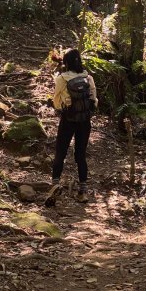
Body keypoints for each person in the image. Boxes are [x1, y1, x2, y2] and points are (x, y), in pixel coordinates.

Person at [50, 48, 98, 203]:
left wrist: (64, 106)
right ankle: (83, 191)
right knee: (80, 156)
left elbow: (56, 102)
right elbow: (94, 100)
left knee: (60, 152)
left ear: (66, 62)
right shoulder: (88, 77)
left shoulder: (62, 78)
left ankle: (55, 186)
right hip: (84, 121)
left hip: (68, 119)